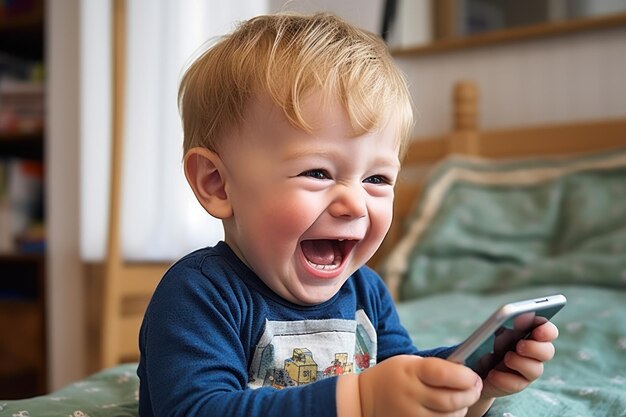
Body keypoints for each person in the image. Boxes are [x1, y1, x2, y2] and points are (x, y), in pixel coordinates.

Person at [137, 12, 558, 417]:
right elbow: (198, 409)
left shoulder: (366, 293)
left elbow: (402, 375)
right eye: (318, 173)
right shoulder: (199, 295)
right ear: (217, 184)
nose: (355, 204)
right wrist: (359, 402)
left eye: (377, 178)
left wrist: (475, 378)